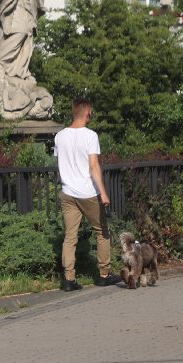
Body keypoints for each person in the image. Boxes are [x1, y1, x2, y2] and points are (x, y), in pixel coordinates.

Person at [56, 96, 118, 291]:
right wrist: (104, 193)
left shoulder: (59, 136)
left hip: (67, 192)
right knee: (102, 231)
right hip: (87, 192)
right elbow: (93, 166)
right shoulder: (91, 136)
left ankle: (69, 279)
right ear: (88, 113)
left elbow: (60, 165)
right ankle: (104, 274)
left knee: (70, 236)